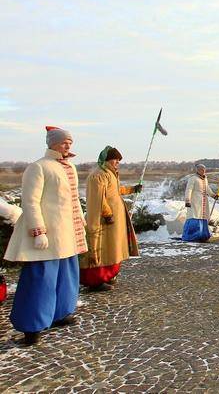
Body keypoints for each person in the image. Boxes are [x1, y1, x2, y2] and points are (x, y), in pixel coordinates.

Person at [4, 126, 86, 346]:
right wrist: (38, 231)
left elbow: (74, 198)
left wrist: (80, 218)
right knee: (41, 279)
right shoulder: (38, 167)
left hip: (67, 233)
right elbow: (30, 202)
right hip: (48, 234)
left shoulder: (70, 167)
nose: (67, 145)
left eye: (70, 142)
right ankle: (32, 326)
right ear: (52, 143)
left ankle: (61, 312)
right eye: (64, 142)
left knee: (67, 275)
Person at [80, 146, 141, 292]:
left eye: (119, 160)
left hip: (112, 221)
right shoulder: (98, 175)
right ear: (107, 160)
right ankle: (95, 280)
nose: (117, 163)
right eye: (115, 160)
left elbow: (116, 190)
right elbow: (99, 199)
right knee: (101, 249)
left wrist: (132, 189)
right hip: (103, 221)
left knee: (112, 248)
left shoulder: (110, 174)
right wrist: (107, 214)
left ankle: (107, 275)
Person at [183, 164, 218, 242]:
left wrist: (213, 195)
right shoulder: (193, 178)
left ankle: (202, 236)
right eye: (201, 169)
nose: (203, 171)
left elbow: (207, 188)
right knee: (194, 216)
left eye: (204, 169)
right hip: (195, 201)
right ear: (198, 170)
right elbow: (189, 189)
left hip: (204, 201)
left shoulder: (205, 179)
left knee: (203, 217)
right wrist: (187, 200)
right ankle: (192, 236)